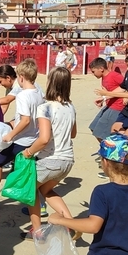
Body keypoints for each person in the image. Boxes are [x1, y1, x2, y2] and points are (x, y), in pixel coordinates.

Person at [0, 58, 44, 208]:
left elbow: (25, 120)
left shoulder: (23, 95)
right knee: (29, 170)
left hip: (22, 139)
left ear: (20, 77)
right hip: (35, 137)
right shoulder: (38, 92)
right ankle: (40, 203)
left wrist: (10, 135)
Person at [19, 67, 79, 239]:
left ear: (50, 83)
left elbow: (44, 139)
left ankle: (37, 231)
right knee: (46, 190)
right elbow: (73, 134)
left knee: (30, 191)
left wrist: (29, 152)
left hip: (51, 159)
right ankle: (70, 223)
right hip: (67, 160)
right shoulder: (70, 107)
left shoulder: (45, 108)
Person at [87, 57, 125, 143]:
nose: (93, 74)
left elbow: (125, 87)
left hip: (116, 107)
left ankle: (109, 151)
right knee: (93, 128)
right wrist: (103, 99)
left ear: (101, 69)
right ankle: (106, 149)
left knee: (102, 133)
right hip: (109, 106)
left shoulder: (114, 75)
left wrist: (104, 97)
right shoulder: (104, 77)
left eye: (93, 71)